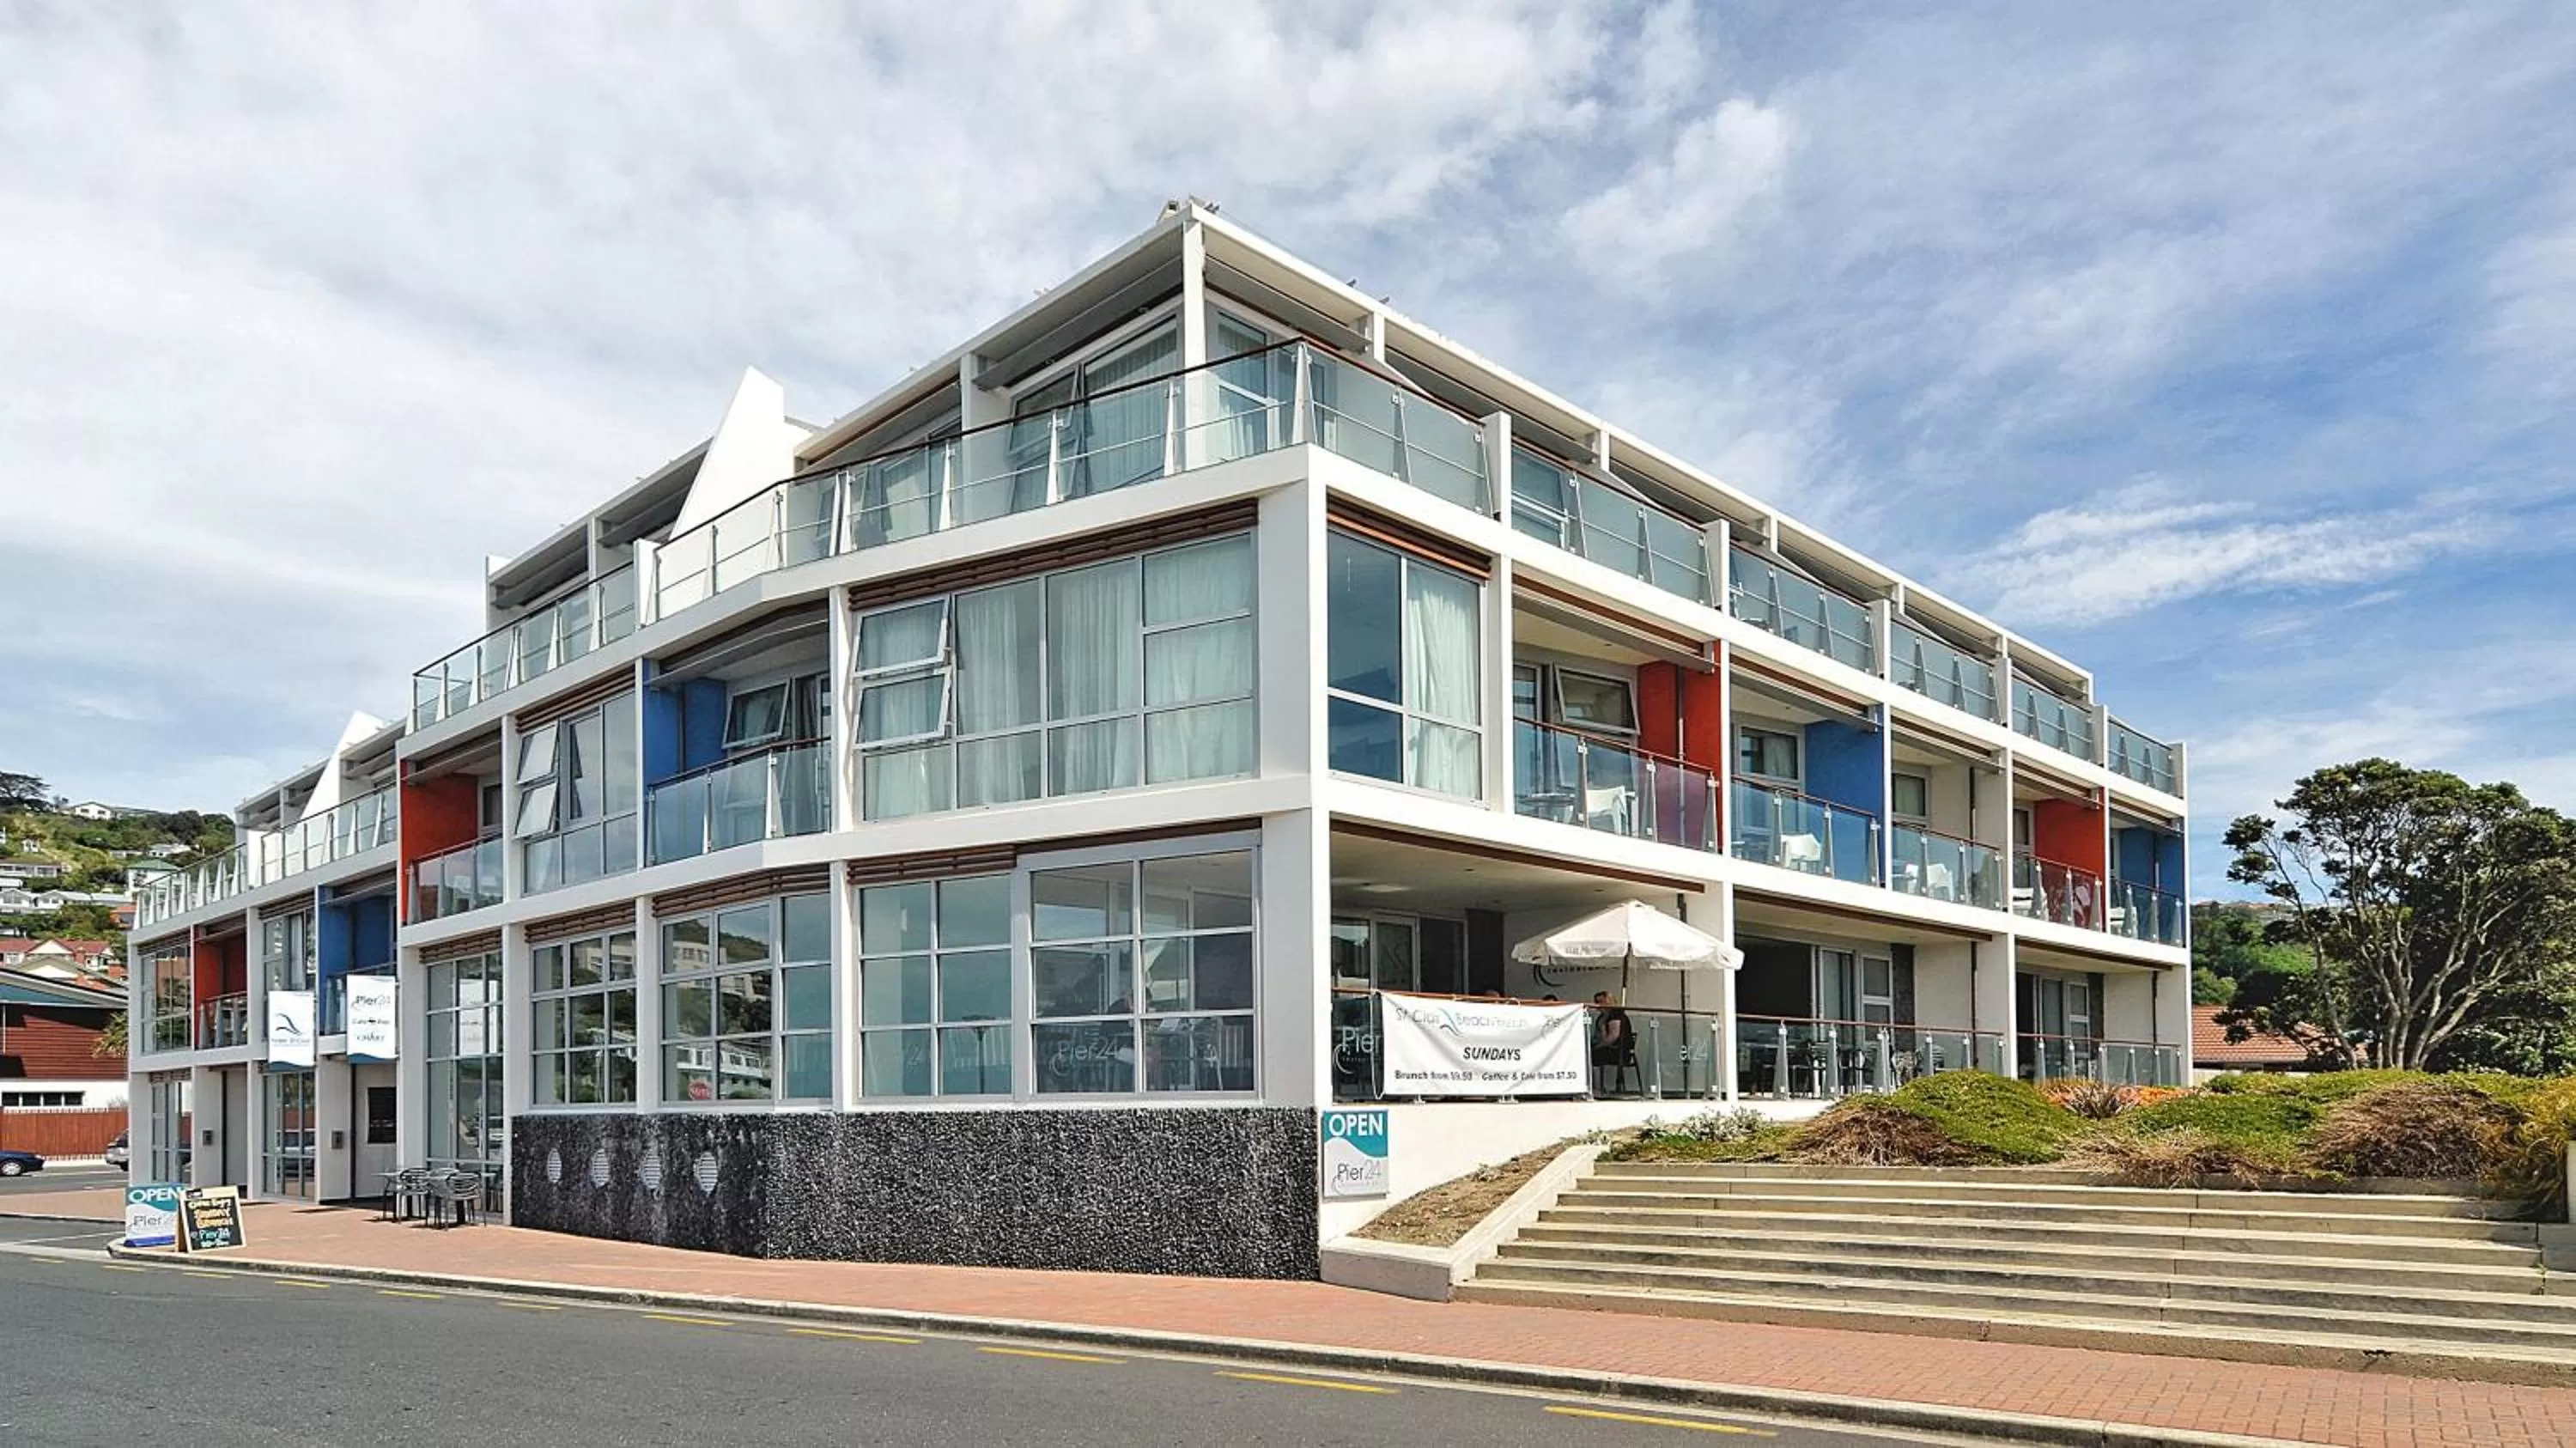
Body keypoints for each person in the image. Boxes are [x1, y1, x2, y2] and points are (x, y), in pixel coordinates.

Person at [1591, 990, 1637, 1096]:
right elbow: (1604, 1038)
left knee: (1594, 1055)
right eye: (1597, 1002)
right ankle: (1596, 1087)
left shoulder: (1616, 1014)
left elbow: (1613, 1036)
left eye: (1602, 1002)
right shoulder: (1602, 1018)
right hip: (1611, 1048)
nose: (1599, 1005)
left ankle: (1597, 1089)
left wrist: (1598, 1046)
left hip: (1620, 1051)